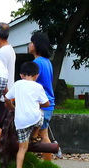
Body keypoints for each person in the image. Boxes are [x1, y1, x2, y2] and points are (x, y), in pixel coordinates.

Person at [5, 61, 50, 168]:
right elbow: (46, 103)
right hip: (34, 118)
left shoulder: (17, 84)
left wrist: (12, 107)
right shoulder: (38, 86)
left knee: (22, 148)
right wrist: (39, 104)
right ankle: (34, 136)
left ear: (22, 74)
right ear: (37, 75)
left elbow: (7, 98)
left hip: (20, 121)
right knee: (41, 114)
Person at [29, 32, 55, 161]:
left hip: (41, 105)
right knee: (43, 134)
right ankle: (47, 164)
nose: (29, 45)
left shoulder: (37, 63)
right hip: (48, 104)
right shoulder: (47, 62)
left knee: (43, 135)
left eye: (31, 42)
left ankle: (47, 164)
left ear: (37, 45)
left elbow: (30, 83)